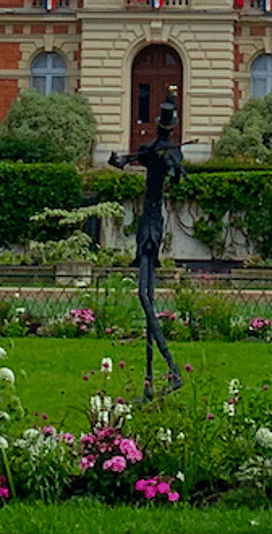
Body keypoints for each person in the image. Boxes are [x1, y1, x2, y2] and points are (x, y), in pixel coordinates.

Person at [109, 98, 186, 398]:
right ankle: (150, 381)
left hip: (153, 223)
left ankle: (172, 368)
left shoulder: (170, 153)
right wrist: (118, 160)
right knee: (147, 295)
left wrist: (174, 165)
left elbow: (177, 179)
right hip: (147, 220)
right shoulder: (149, 150)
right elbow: (123, 162)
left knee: (144, 295)